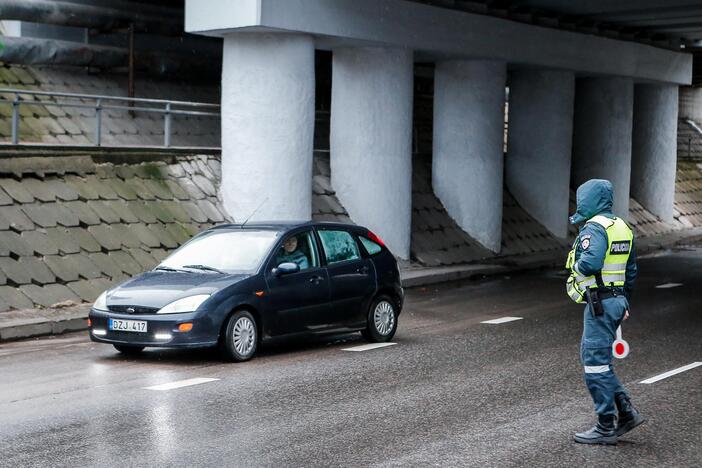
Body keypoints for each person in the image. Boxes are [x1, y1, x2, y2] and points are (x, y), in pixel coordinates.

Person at [565, 179, 645, 445]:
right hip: (615, 301)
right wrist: (624, 303)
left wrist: (575, 265)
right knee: (601, 362)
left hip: (599, 303)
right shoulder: (622, 227)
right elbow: (631, 271)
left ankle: (605, 425)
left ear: (587, 201)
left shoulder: (594, 228)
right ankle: (626, 414)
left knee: (594, 364)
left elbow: (590, 263)